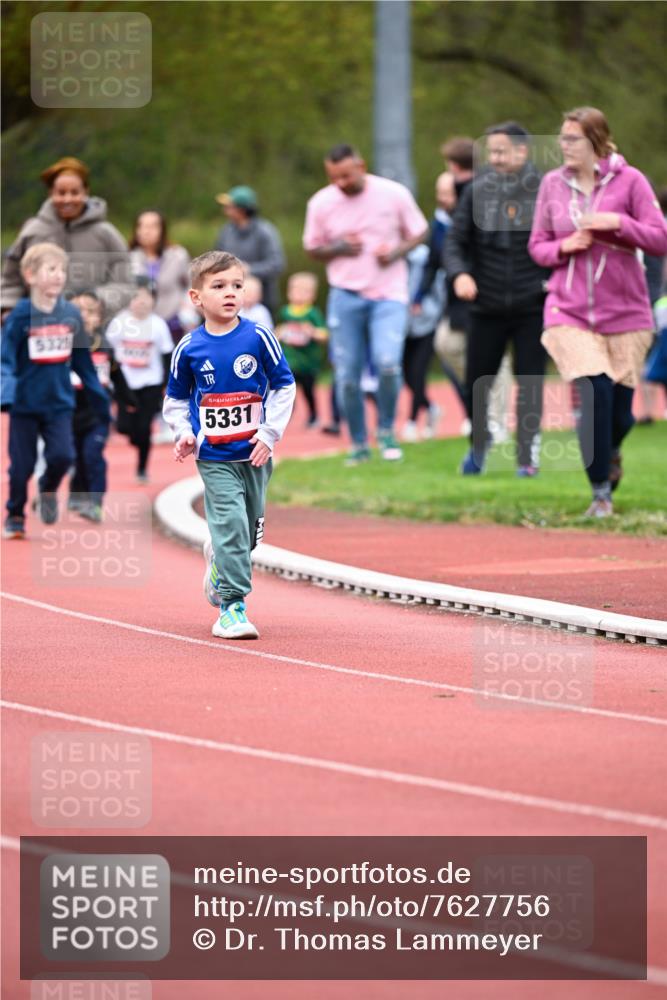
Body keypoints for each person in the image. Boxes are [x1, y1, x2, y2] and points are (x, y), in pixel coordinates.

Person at [529, 106, 667, 516]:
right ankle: (600, 494)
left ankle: (609, 452)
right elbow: (537, 246)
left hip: (626, 313)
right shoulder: (552, 185)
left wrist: (618, 223)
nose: (563, 146)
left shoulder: (631, 181)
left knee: (621, 415)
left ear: (596, 141)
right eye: (562, 138)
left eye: (572, 138)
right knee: (593, 392)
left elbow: (660, 239)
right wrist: (562, 248)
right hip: (567, 311)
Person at [162, 250, 295, 639]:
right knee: (232, 528)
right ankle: (232, 606)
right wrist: (183, 432)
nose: (230, 293)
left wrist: (269, 433)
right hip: (215, 456)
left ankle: (220, 559)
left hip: (254, 454)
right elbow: (176, 400)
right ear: (196, 297)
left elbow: (284, 386)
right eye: (218, 286)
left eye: (236, 285)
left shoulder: (258, 337)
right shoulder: (189, 348)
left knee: (249, 533)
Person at [303, 143, 428, 464]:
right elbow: (312, 248)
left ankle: (386, 430)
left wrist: (398, 252)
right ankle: (358, 443)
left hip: (389, 293)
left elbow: (420, 231)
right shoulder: (321, 202)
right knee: (347, 374)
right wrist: (338, 247)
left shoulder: (393, 193)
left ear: (361, 165)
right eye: (334, 178)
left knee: (388, 363)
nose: (340, 183)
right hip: (345, 294)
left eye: (345, 175)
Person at [444, 122, 548, 476]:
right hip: (485, 305)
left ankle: (526, 455)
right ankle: (479, 444)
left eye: (502, 151)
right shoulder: (476, 191)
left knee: (530, 381)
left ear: (522, 152)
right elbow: (455, 241)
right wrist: (460, 274)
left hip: (533, 305)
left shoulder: (546, 191)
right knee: (477, 382)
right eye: (492, 152)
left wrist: (553, 281)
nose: (495, 158)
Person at [2, 243, 110, 538]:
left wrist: (101, 403)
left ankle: (47, 488)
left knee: (63, 456)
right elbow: (6, 358)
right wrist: (7, 392)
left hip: (60, 402)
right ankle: (15, 514)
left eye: (62, 270)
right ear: (30, 275)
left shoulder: (70, 314)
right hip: (25, 404)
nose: (58, 276)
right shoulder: (21, 315)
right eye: (51, 269)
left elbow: (84, 365)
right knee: (21, 467)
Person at [1, 157, 132, 316]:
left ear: (86, 192)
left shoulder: (106, 234)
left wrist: (96, 301)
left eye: (75, 192)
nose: (67, 199)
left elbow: (125, 284)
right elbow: (11, 279)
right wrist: (8, 308)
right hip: (38, 325)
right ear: (51, 193)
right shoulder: (33, 232)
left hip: (92, 328)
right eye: (61, 193)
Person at [68, 291, 136, 521]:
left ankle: (95, 502)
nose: (84, 316)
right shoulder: (63, 344)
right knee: (74, 456)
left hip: (98, 413)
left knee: (92, 454)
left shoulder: (104, 346)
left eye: (90, 311)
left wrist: (128, 400)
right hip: (68, 412)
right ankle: (76, 491)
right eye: (78, 311)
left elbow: (117, 376)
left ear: (99, 318)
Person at [106, 282, 174, 483]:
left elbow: (167, 354)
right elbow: (106, 350)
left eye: (146, 297)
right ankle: (135, 437)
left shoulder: (159, 325)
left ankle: (142, 469)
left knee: (144, 429)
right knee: (124, 428)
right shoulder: (119, 322)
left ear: (153, 300)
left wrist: (166, 383)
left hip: (150, 383)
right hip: (124, 383)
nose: (141, 302)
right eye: (136, 297)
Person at [215, 186, 286, 319]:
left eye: (230, 206)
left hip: (262, 302)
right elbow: (216, 258)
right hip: (231, 300)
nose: (225, 210)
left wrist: (249, 270)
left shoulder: (266, 231)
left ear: (242, 209)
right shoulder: (226, 231)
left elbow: (277, 264)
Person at [129, 210, 197, 342]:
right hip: (140, 319)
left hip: (173, 318)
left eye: (152, 226)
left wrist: (187, 304)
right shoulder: (130, 258)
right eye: (141, 226)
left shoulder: (177, 255)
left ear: (162, 230)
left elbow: (192, 282)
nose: (146, 231)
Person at [275, 272, 328, 428]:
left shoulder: (313, 313)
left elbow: (324, 334)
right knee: (287, 389)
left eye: (303, 291)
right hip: (289, 359)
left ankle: (313, 415)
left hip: (308, 362)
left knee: (308, 390)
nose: (298, 294)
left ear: (312, 295)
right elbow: (277, 331)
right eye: (295, 290)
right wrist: (279, 334)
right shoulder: (285, 312)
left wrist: (311, 331)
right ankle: (286, 415)